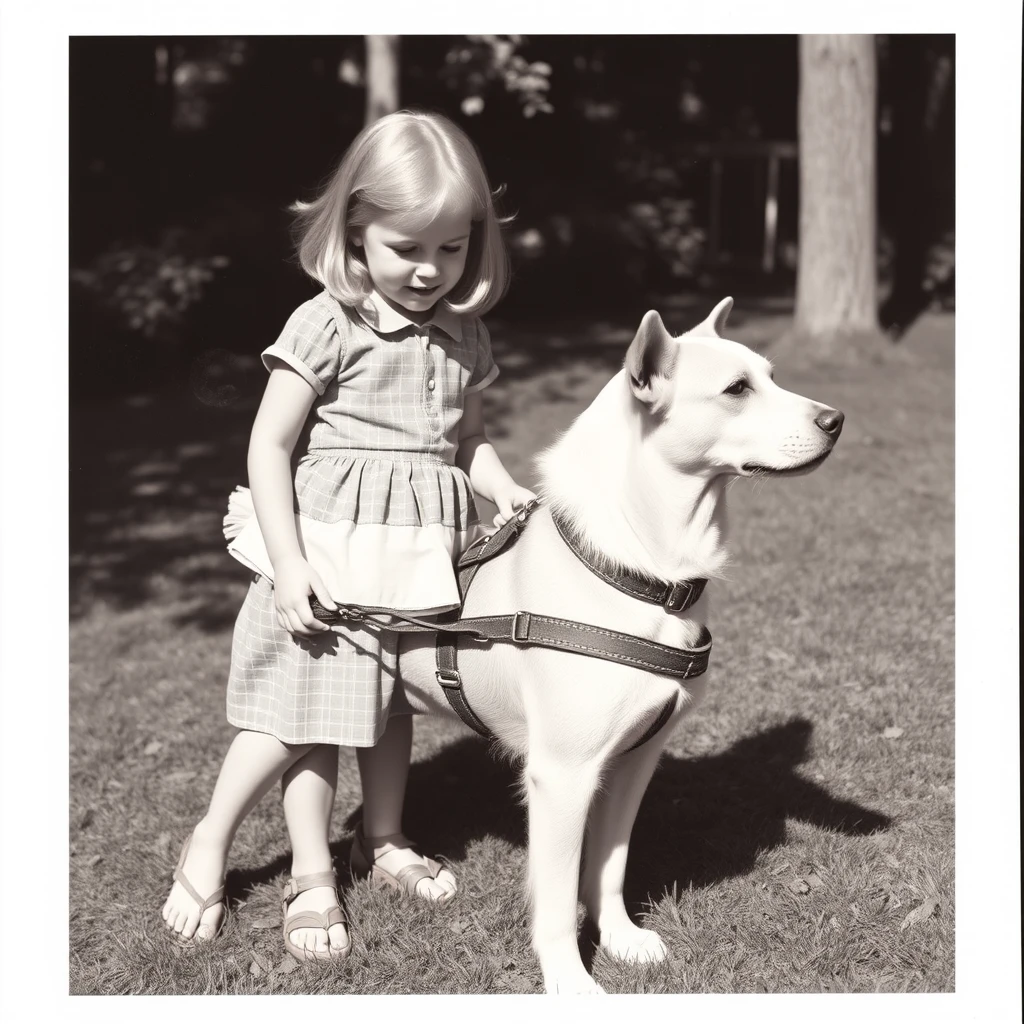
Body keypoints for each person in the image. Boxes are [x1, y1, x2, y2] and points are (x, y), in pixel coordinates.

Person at [160, 110, 535, 961]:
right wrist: (289, 565)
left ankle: (385, 836)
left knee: (392, 701)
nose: (430, 270)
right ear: (355, 230)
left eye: (452, 248)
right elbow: (269, 443)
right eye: (408, 247)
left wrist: (506, 489)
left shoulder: (464, 335)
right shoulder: (327, 322)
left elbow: (464, 439)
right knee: (302, 718)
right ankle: (263, 855)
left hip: (411, 554)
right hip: (328, 549)